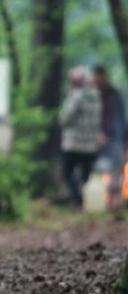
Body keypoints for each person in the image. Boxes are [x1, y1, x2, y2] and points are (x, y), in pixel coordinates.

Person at [59, 67, 102, 209]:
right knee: (86, 176)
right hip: (90, 145)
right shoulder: (96, 95)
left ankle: (78, 199)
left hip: (73, 144)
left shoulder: (76, 95)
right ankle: (87, 202)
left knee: (67, 172)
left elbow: (66, 118)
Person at [92, 65, 126, 209]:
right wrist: (96, 133)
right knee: (97, 168)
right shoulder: (91, 94)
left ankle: (116, 198)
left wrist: (124, 137)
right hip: (96, 136)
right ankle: (98, 200)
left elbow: (121, 116)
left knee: (117, 166)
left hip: (114, 135)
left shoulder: (114, 94)